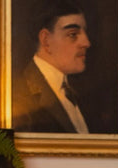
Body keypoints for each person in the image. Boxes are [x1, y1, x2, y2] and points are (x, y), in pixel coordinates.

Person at [12, 1, 94, 134]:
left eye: (85, 32)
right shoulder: (19, 95)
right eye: (73, 34)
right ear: (45, 40)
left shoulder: (76, 93)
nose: (86, 43)